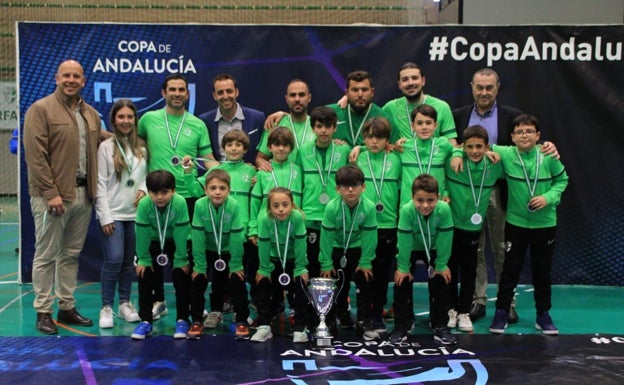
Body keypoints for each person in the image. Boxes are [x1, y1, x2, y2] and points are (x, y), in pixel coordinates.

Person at [23, 59, 103, 334]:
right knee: (46, 254)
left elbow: (100, 141)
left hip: (83, 195)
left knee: (70, 255)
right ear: (57, 78)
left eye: (76, 76)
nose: (71, 80)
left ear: (83, 81)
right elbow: (35, 156)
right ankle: (43, 310)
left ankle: (66, 306)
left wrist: (131, 140)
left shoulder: (91, 114)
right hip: (52, 198)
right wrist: (51, 193)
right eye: (66, 75)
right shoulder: (40, 110)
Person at [138, 74, 217, 321]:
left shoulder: (197, 124)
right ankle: (157, 301)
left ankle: (195, 303)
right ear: (163, 93)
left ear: (187, 93)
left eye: (181, 89)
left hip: (187, 197)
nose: (177, 93)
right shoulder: (148, 119)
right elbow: (134, 148)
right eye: (172, 89)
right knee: (156, 248)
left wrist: (217, 176)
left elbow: (209, 161)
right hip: (158, 197)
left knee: (190, 254)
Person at [488, 114, 568, 335]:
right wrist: (486, 151)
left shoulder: (548, 155)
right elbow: (476, 144)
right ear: (512, 137)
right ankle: (502, 312)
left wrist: (548, 198)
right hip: (515, 224)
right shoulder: (505, 153)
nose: (525, 135)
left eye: (529, 131)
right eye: (520, 132)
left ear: (538, 136)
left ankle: (543, 315)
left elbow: (563, 181)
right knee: (509, 271)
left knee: (542, 272)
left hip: (545, 225)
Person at [445, 125, 503, 333]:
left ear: (487, 147)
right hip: (450, 225)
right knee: (450, 267)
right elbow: (445, 148)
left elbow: (518, 153)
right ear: (463, 146)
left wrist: (548, 148)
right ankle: (451, 309)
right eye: (470, 147)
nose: (475, 151)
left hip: (473, 227)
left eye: (480, 146)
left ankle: (464, 312)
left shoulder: (494, 164)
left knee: (469, 270)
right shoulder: (453, 160)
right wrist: (457, 152)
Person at [95, 99, 147, 328]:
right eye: (121, 117)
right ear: (113, 120)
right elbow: (99, 184)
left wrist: (144, 190)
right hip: (113, 214)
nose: (126, 121)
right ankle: (106, 306)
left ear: (135, 120)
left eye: (130, 117)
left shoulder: (142, 147)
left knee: (128, 262)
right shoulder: (106, 147)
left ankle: (125, 303)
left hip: (136, 214)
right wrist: (104, 216)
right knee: (114, 259)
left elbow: (146, 175)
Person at [389, 174, 456, 345]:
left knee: (441, 279)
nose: (425, 205)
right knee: (401, 281)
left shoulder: (444, 210)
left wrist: (441, 264)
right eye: (420, 200)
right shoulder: (406, 210)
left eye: (430, 200)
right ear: (412, 197)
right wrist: (403, 267)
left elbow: (445, 238)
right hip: (411, 248)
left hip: (433, 248)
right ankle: (401, 325)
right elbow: (403, 241)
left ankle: (440, 324)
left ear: (438, 198)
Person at [319, 164, 378, 340]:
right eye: (345, 186)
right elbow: (326, 237)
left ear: (363, 187)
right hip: (337, 248)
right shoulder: (331, 207)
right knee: (335, 285)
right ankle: (331, 321)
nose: (351, 190)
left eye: (355, 185)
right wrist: (326, 262)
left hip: (359, 249)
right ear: (338, 189)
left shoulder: (368, 207)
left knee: (365, 283)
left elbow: (370, 236)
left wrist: (366, 261)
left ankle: (364, 322)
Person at [130, 170, 191, 340]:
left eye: (164, 192)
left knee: (181, 276)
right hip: (152, 241)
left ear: (173, 190)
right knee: (145, 276)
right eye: (154, 193)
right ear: (148, 192)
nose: (160, 197)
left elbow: (181, 232)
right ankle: (146, 321)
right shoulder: (144, 205)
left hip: (174, 241)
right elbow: (141, 233)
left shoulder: (179, 203)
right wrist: (143, 258)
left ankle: (183, 319)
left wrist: (181, 259)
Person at [354, 117, 402, 333]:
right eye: (370, 137)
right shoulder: (357, 158)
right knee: (364, 272)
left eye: (379, 138)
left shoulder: (396, 159)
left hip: (388, 224)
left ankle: (377, 315)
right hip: (363, 225)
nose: (374, 142)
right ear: (364, 138)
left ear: (387, 140)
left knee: (382, 274)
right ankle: (362, 315)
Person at [189, 169, 246, 339]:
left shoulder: (234, 205)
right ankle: (198, 320)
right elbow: (197, 236)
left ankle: (242, 320)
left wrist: (236, 264)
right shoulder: (200, 205)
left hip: (229, 250)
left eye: (222, 188)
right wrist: (199, 265)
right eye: (213, 188)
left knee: (236, 280)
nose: (217, 192)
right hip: (207, 249)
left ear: (229, 189)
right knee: (198, 281)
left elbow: (237, 236)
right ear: (205, 190)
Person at [295, 106, 351, 278]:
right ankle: (313, 301)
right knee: (312, 260)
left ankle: (336, 301)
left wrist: (359, 148)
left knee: (334, 261)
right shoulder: (303, 151)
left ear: (335, 128)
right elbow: (298, 182)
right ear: (313, 128)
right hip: (311, 216)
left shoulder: (343, 150)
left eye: (328, 126)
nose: (324, 131)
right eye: (319, 126)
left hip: (336, 215)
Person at [251, 187, 309, 343]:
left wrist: (300, 267)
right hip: (272, 260)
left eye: (285, 204)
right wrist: (264, 268)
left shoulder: (297, 218)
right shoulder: (264, 219)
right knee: (262, 284)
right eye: (275, 206)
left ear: (292, 204)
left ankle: (299, 327)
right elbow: (263, 246)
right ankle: (264, 326)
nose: (281, 209)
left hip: (292, 261)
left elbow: (300, 245)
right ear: (269, 207)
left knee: (300, 286)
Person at [382, 62, 457, 144]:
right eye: (405, 80)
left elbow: (451, 143)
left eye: (414, 78)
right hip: (403, 155)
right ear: (399, 85)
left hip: (434, 156)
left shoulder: (442, 107)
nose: (410, 83)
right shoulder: (390, 108)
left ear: (423, 81)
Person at [199, 73, 266, 164]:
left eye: (229, 91)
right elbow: (203, 156)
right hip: (218, 174)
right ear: (214, 96)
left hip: (249, 175)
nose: (225, 96)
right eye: (220, 93)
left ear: (236, 92)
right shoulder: (205, 121)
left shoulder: (257, 118)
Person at [397, 104, 454, 206]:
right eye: (419, 123)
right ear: (413, 126)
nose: (424, 127)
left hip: (436, 203)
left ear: (435, 125)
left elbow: (464, 151)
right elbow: (381, 149)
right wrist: (361, 148)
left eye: (428, 123)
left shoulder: (443, 145)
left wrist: (487, 150)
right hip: (409, 205)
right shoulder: (403, 147)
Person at [327, 70, 398, 148]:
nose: (360, 94)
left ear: (372, 92)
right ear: (346, 93)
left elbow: (394, 149)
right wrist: (330, 142)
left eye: (364, 90)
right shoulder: (330, 113)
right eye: (355, 90)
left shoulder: (385, 119)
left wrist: (362, 149)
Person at [256, 79, 315, 169]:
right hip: (282, 181)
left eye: (302, 95)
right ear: (286, 99)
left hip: (310, 181)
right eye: (292, 95)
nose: (297, 99)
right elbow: (260, 158)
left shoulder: (318, 126)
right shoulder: (275, 124)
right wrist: (266, 168)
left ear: (309, 97)